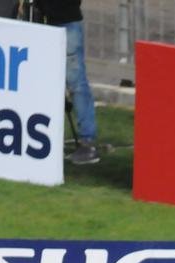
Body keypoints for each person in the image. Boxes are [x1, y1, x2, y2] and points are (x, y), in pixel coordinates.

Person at [35, 1, 100, 165]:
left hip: (63, 22)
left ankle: (87, 142)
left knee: (77, 85)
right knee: (71, 85)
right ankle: (54, 137)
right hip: (51, 22)